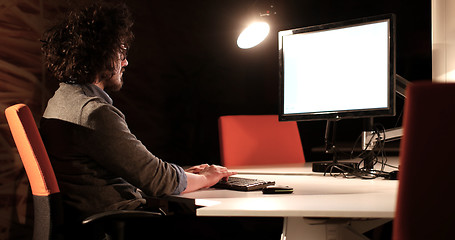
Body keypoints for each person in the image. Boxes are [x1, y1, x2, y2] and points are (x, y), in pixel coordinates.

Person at [40, 1, 236, 229]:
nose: (125, 62)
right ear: (100, 55)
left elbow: (143, 171)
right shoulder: (93, 113)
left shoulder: (61, 101)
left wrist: (181, 173)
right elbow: (159, 182)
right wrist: (207, 178)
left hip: (96, 219)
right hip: (119, 223)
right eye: (120, 53)